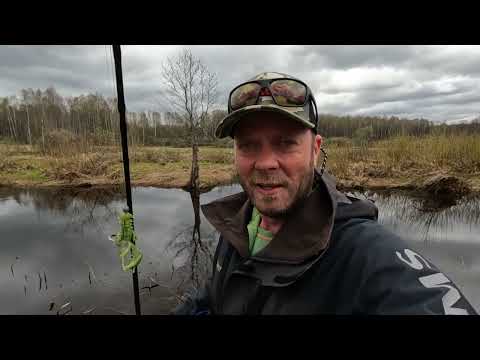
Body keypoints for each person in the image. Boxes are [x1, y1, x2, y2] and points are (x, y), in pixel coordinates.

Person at [173, 72, 477, 315]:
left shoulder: (361, 251)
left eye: (285, 143)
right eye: (248, 145)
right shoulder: (235, 228)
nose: (265, 163)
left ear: (315, 151)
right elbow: (212, 299)